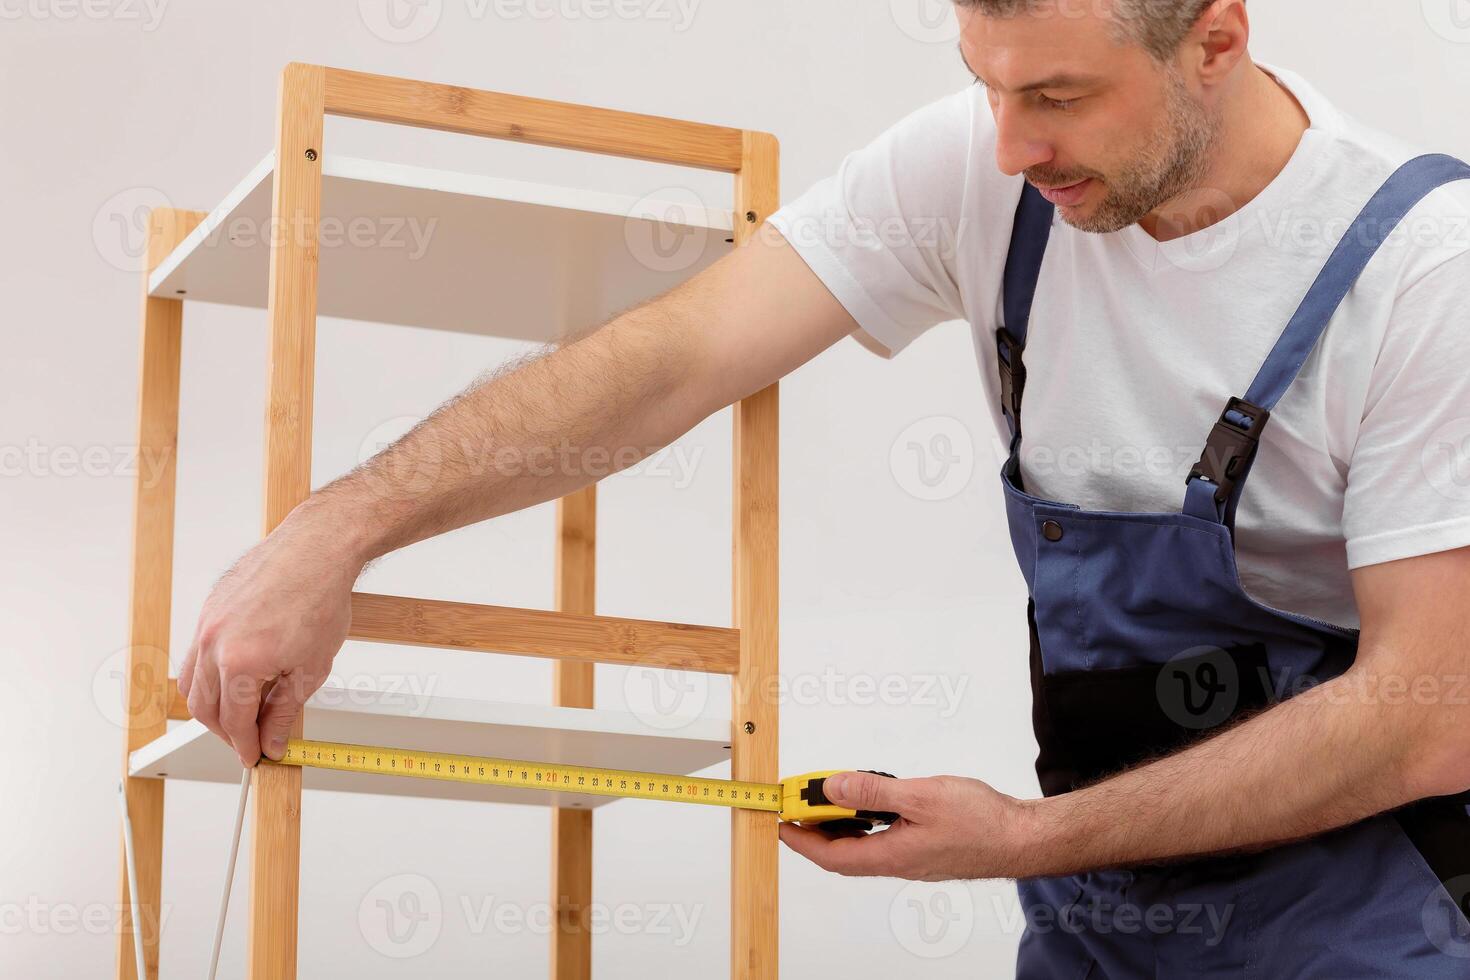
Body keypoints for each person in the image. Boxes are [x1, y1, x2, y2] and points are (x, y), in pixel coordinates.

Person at [179, 0, 1470, 972]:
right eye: (985, 84)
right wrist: (335, 532)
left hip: (1369, 910)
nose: (1011, 143)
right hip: (1099, 913)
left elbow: (1424, 713)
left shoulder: (1420, 271)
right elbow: (672, 358)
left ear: (1215, 39)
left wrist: (1015, 839)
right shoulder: (981, 168)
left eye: (1061, 97)